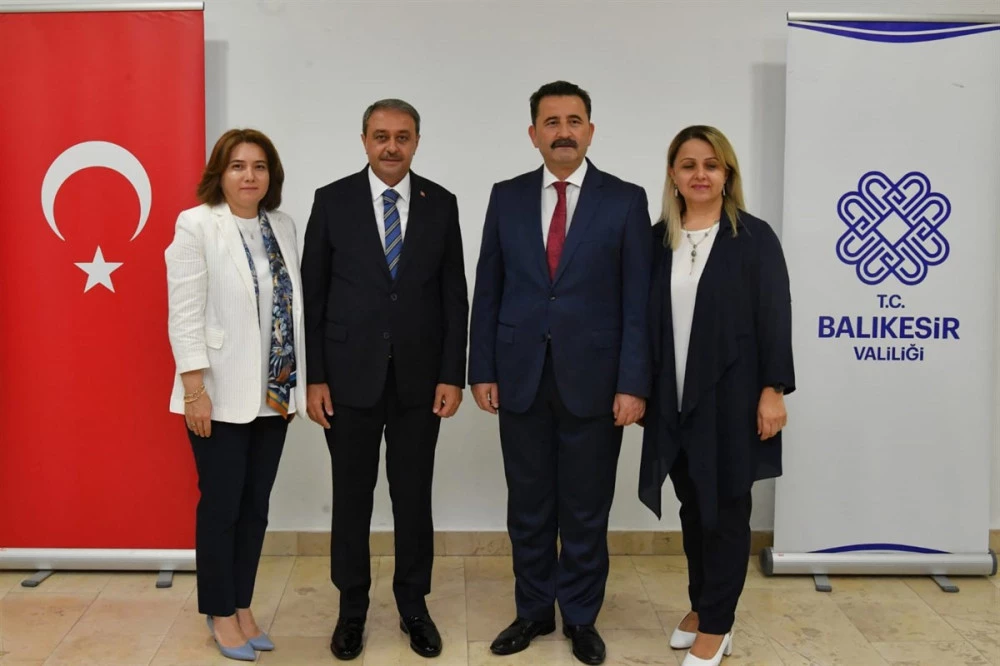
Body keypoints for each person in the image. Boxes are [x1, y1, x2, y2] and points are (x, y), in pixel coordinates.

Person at [468, 80, 652, 666]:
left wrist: (633, 383)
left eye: (574, 121)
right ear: (533, 134)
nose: (564, 132)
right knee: (528, 506)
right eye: (551, 122)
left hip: (596, 382)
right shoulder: (506, 196)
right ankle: (531, 611)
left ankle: (580, 616)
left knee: (585, 508)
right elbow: (489, 287)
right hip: (520, 375)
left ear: (591, 131)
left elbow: (638, 302)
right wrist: (481, 369)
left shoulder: (625, 200)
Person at [301, 98, 469, 661]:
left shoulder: (441, 203)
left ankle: (413, 606)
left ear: (416, 141)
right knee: (351, 497)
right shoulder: (332, 200)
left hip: (420, 381)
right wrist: (315, 378)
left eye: (402, 136)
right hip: (347, 380)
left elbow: (454, 296)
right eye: (381, 136)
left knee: (412, 496)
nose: (391, 146)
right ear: (364, 140)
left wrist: (452, 374)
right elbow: (313, 296)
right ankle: (351, 609)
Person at [638, 125, 794, 666]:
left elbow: (775, 316)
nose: (699, 174)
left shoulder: (753, 237)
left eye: (711, 164)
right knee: (692, 508)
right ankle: (702, 605)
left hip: (732, 399)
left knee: (726, 511)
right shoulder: (658, 240)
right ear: (673, 175)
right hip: (673, 401)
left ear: (727, 174)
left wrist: (773, 390)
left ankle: (718, 625)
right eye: (688, 165)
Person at [165, 128, 305, 661]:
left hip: (273, 394)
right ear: (220, 174)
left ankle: (243, 606)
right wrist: (194, 389)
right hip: (217, 394)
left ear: (271, 176)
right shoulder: (196, 224)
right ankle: (220, 612)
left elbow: (289, 310)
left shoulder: (282, 226)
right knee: (222, 505)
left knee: (256, 508)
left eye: (259, 167)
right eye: (238, 166)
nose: (250, 176)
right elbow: (184, 312)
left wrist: (292, 388)